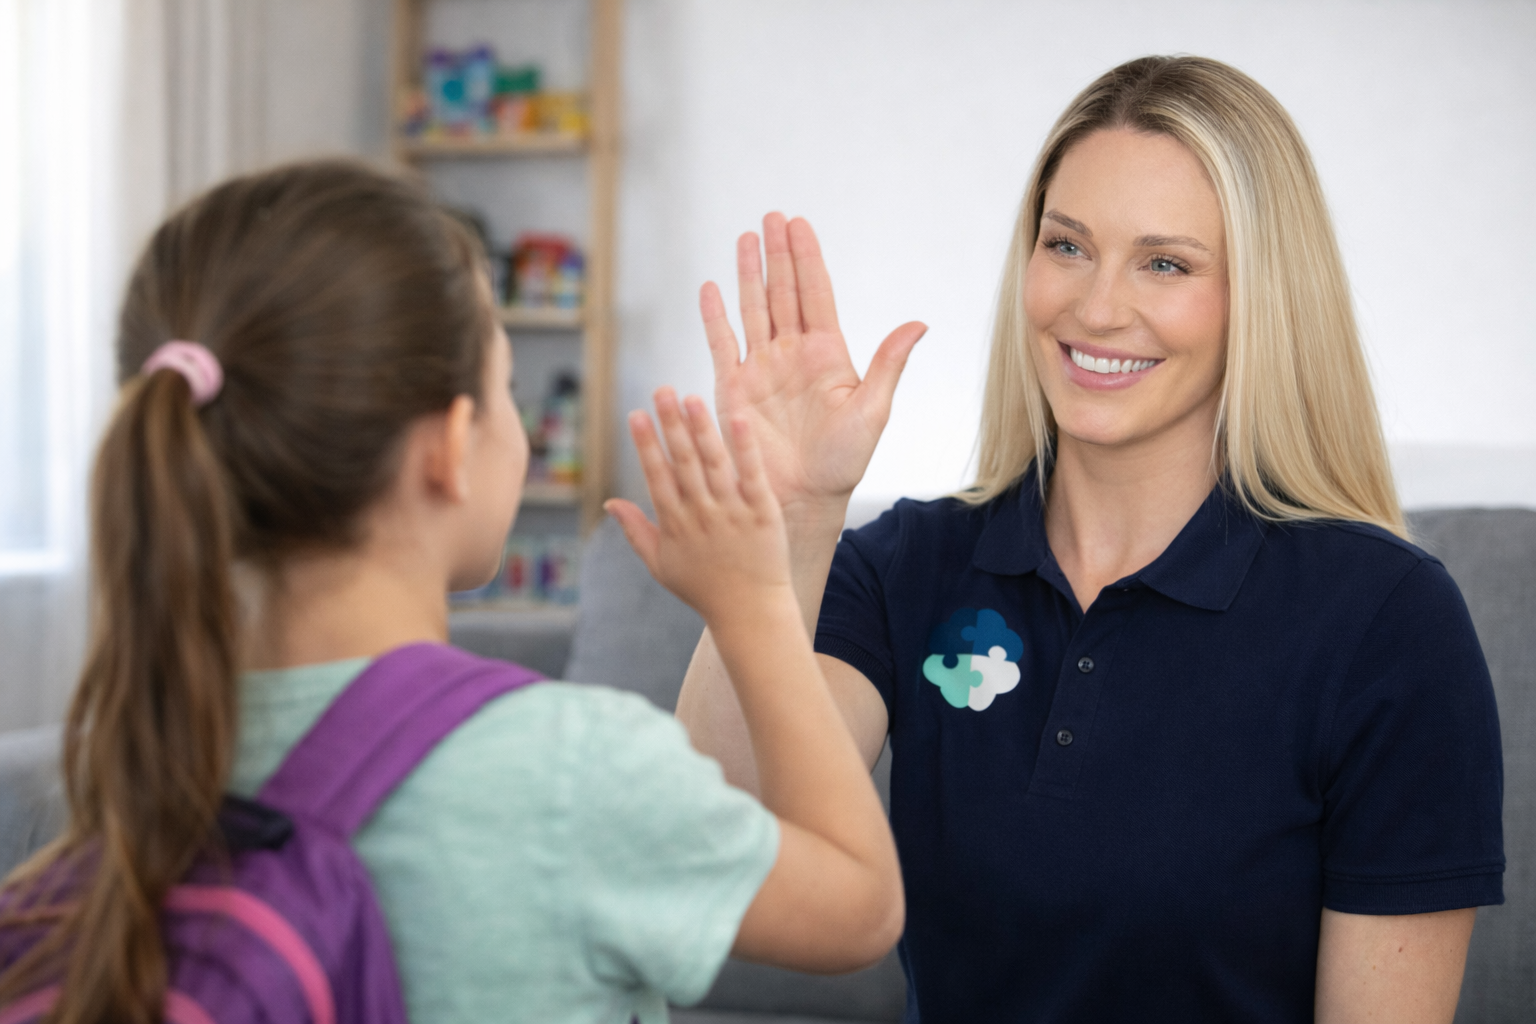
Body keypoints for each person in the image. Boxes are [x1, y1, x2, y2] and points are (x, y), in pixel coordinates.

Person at [674, 55, 1504, 1023]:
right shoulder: (907, 564)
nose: (1097, 306)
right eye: (1067, 246)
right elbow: (705, 843)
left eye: (1165, 262)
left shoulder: (1389, 623)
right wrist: (796, 512)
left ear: (1259, 299)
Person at [0, 161, 902, 1024]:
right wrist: (754, 605)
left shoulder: (149, 754)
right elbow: (859, 907)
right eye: (505, 385)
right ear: (451, 443)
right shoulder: (567, 770)